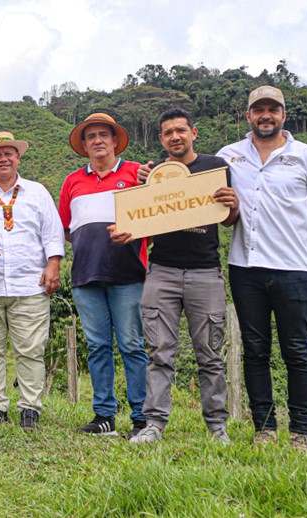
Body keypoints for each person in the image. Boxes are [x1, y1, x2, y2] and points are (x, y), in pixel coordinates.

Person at [217, 86, 307, 452]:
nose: (265, 115)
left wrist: (302, 242)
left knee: (297, 351)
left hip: (295, 269)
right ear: (248, 115)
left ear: (284, 115)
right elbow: (198, 189)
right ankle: (264, 428)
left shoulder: (306, 157)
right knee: (255, 351)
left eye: (273, 109)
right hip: (245, 266)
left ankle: (301, 432)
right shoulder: (229, 156)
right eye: (259, 109)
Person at [109, 108, 239, 444]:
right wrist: (129, 231)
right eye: (168, 132)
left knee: (210, 354)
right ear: (161, 138)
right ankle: (154, 424)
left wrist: (233, 205)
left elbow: (228, 219)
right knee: (159, 352)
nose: (175, 137)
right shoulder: (153, 174)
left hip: (206, 271)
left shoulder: (215, 167)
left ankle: (217, 427)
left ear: (194, 132)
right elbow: (145, 222)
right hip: (162, 271)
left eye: (181, 130)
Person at [0, 131, 64, 431]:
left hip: (30, 284)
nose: (3, 159)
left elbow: (52, 232)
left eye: (8, 153)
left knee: (31, 350)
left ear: (18, 158)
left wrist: (54, 264)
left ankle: (30, 408)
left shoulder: (37, 192)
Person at [58, 113, 149, 438]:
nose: (97, 140)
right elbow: (66, 228)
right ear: (84, 145)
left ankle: (141, 417)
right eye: (91, 136)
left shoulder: (137, 173)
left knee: (132, 345)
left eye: (103, 135)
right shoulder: (72, 182)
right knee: (97, 347)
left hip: (129, 274)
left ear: (114, 140)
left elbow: (157, 215)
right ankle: (104, 415)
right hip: (86, 275)